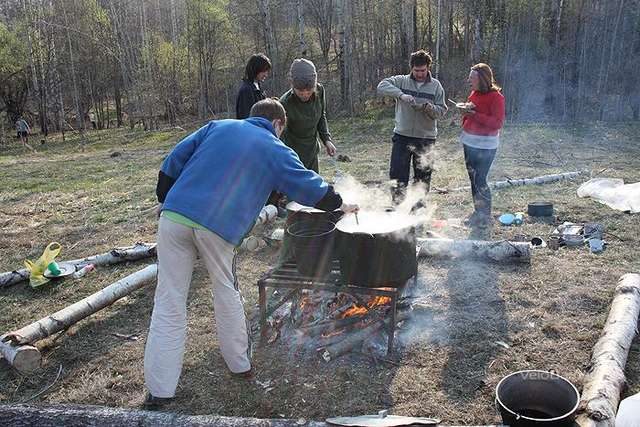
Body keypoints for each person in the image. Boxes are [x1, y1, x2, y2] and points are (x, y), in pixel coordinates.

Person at [143, 98, 358, 410]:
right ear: (278, 124)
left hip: (173, 216)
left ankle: (159, 391)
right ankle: (239, 364)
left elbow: (173, 160)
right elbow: (307, 186)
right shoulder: (274, 146)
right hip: (217, 226)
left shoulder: (217, 126)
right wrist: (339, 203)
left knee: (168, 300)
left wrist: (167, 197)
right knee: (225, 291)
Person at [377, 50, 447, 205]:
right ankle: (397, 206)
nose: (420, 74)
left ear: (428, 68)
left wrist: (428, 108)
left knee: (423, 176)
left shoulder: (436, 86)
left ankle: (418, 209)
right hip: (402, 136)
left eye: (423, 70)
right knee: (397, 173)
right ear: (411, 68)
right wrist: (401, 95)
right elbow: (381, 86)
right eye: (416, 70)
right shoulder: (402, 81)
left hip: (426, 138)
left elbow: (442, 111)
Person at [457, 63, 505, 227]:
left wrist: (474, 115)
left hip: (486, 145)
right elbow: (470, 116)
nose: (469, 80)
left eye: (472, 78)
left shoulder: (496, 97)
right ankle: (478, 212)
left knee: (480, 179)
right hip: (469, 142)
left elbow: (497, 123)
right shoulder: (474, 93)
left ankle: (485, 216)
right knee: (473, 178)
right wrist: (465, 113)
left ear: (482, 79)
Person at [279, 58, 336, 173]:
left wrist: (327, 140)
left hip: (312, 152)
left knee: (314, 182)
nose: (305, 94)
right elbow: (280, 135)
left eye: (309, 91)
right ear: (293, 86)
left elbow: (321, 116)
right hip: (293, 156)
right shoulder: (284, 103)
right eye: (300, 92)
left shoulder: (320, 91)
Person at [235, 53, 271, 119]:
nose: (266, 75)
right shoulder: (246, 90)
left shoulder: (258, 87)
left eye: (267, 71)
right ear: (255, 69)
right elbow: (247, 118)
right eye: (263, 71)